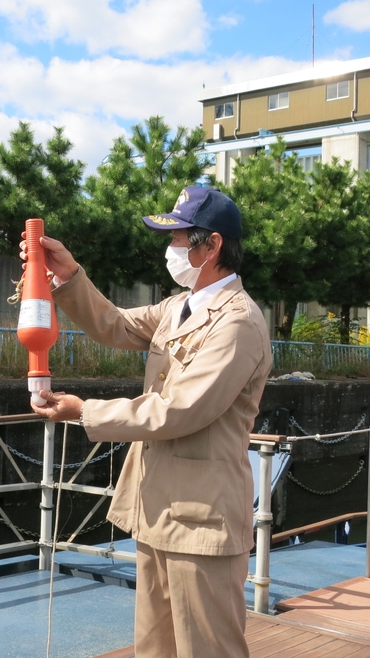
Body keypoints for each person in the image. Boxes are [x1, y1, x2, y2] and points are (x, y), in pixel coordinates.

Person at [23, 186, 272, 658]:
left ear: (212, 245)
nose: (170, 248)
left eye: (178, 238)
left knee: (208, 649)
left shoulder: (238, 322)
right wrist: (68, 274)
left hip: (202, 519)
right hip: (157, 509)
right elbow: (114, 324)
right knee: (155, 646)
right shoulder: (179, 307)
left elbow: (181, 409)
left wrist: (85, 411)